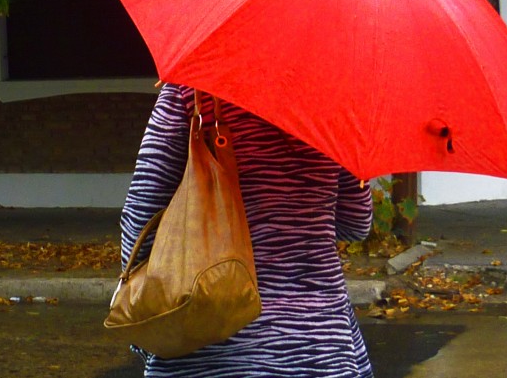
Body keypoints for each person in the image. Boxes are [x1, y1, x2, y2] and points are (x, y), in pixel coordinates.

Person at [120, 83, 374, 378]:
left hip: (208, 340)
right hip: (319, 346)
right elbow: (356, 224)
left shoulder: (192, 91)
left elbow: (141, 216)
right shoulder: (336, 100)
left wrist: (146, 317)